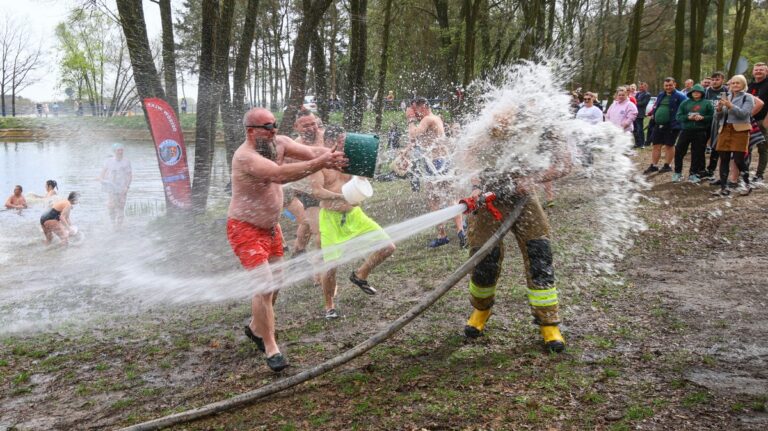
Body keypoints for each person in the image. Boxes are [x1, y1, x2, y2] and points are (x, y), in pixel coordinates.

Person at [228, 108, 347, 371]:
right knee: (266, 284)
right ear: (251, 131)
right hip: (244, 229)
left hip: (271, 228)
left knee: (276, 282)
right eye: (268, 127)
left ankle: (255, 328)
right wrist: (320, 163)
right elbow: (280, 175)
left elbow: (311, 153)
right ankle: (271, 347)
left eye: (275, 125)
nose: (274, 131)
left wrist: (331, 155)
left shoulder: (278, 143)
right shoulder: (245, 157)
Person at [462, 106, 571, 353]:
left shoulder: (547, 126)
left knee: (539, 254)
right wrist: (477, 183)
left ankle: (548, 322)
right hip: (489, 195)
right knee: (484, 256)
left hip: (523, 196)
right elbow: (469, 153)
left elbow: (565, 164)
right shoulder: (494, 122)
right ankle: (481, 309)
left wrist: (532, 179)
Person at [309, 125, 395, 319]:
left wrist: (364, 173)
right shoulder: (319, 163)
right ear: (330, 142)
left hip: (355, 215)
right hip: (330, 219)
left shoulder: (351, 158)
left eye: (346, 141)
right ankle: (329, 306)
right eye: (342, 141)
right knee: (330, 267)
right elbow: (317, 192)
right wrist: (341, 197)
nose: (346, 145)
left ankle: (360, 275)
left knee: (388, 247)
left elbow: (363, 179)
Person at [407, 97, 466, 248]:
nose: (415, 113)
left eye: (416, 109)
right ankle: (461, 232)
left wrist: (410, 119)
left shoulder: (427, 119)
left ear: (423, 106)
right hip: (443, 160)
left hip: (434, 163)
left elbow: (413, 133)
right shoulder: (436, 118)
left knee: (433, 199)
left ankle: (442, 235)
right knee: (451, 195)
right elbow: (419, 140)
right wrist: (406, 151)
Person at [287, 111, 324, 257]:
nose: (311, 128)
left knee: (307, 223)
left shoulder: (326, 137)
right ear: (296, 126)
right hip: (307, 192)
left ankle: (298, 252)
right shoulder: (294, 147)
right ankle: (319, 274)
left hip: (326, 188)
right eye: (305, 125)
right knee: (319, 231)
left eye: (313, 124)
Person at [712, 75, 755, 196]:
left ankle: (747, 184)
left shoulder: (748, 97)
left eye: (738, 83)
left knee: (738, 159)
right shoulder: (727, 97)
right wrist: (719, 109)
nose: (735, 85)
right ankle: (724, 187)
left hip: (740, 131)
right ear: (730, 85)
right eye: (733, 83)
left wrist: (730, 106)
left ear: (743, 85)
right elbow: (717, 117)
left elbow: (744, 114)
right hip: (725, 129)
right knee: (724, 158)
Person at [644, 77, 688, 174]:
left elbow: (687, 106)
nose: (668, 87)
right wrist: (653, 115)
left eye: (670, 85)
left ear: (675, 85)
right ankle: (654, 165)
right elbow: (657, 105)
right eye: (666, 85)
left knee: (669, 145)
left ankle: (667, 165)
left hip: (672, 125)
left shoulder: (680, 96)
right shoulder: (661, 94)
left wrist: (680, 119)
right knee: (656, 145)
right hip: (658, 124)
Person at [673, 84, 713, 183]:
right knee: (679, 151)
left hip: (700, 131)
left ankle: (693, 173)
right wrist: (688, 117)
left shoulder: (707, 103)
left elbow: (712, 116)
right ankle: (677, 172)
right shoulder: (685, 103)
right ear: (691, 93)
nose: (696, 93)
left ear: (702, 93)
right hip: (686, 130)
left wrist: (703, 118)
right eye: (694, 92)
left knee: (697, 153)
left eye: (698, 92)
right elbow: (678, 116)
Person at [98, 143, 132, 228]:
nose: (120, 152)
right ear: (114, 151)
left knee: (120, 207)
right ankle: (113, 224)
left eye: (121, 150)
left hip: (122, 188)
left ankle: (118, 226)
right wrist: (101, 179)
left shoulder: (126, 161)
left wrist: (127, 187)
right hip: (111, 188)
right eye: (118, 150)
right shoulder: (109, 161)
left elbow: (129, 175)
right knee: (111, 206)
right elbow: (103, 172)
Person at [703, 72, 729, 179]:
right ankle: (700, 168)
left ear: (722, 80)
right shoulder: (707, 91)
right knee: (701, 145)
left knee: (715, 146)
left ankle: (711, 170)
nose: (714, 81)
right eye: (713, 79)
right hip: (707, 121)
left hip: (719, 122)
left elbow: (726, 106)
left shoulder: (725, 91)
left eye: (717, 79)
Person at [747, 62, 768, 182]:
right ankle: (745, 171)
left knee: (762, 148)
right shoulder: (750, 85)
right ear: (753, 71)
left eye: (761, 69)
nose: (758, 71)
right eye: (756, 69)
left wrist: (766, 122)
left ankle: (759, 174)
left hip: (762, 120)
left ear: (766, 71)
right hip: (749, 120)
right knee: (746, 147)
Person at [634, 82, 652, 148]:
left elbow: (643, 103)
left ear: (646, 87)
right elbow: (634, 101)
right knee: (635, 129)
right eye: (640, 87)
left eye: (642, 87)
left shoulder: (647, 94)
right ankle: (637, 143)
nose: (641, 88)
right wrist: (636, 102)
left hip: (640, 113)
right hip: (635, 112)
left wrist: (635, 102)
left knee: (640, 129)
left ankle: (642, 143)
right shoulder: (638, 93)